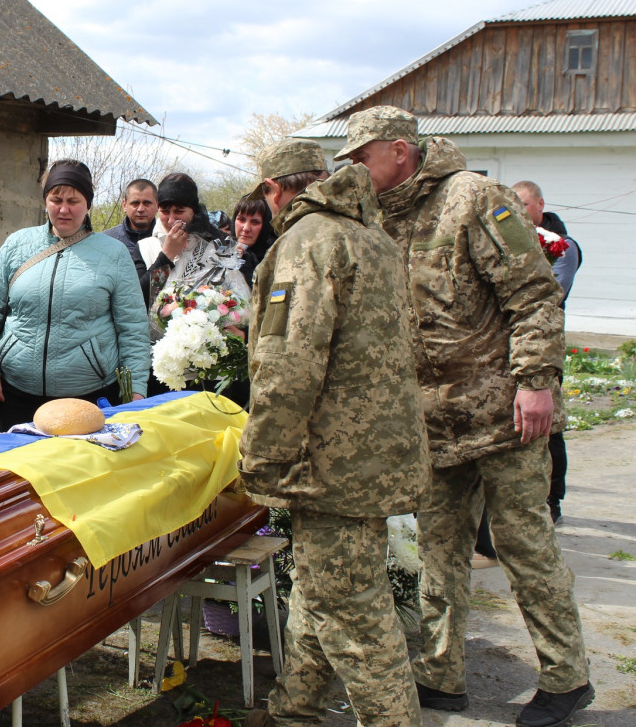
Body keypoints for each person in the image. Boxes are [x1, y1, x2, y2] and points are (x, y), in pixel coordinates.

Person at [339, 105, 592, 726]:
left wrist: (536, 383)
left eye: (362, 156)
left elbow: (533, 293)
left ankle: (566, 677)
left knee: (525, 547)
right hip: (433, 426)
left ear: (399, 150)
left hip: (504, 417)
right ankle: (440, 673)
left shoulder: (474, 198)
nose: (355, 169)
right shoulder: (378, 217)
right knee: (439, 553)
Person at [238, 143, 428, 727]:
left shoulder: (307, 243)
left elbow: (289, 364)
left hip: (332, 464)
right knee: (322, 589)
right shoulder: (372, 238)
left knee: (354, 614)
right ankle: (294, 709)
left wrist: (262, 456)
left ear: (275, 189)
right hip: (375, 452)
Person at [0, 159, 149, 430]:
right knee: (12, 470)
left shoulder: (113, 253)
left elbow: (133, 327)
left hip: (87, 398)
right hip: (13, 395)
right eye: (56, 199)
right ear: (45, 201)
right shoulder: (17, 245)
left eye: (73, 200)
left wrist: (135, 388)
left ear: (88, 203)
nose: (64, 209)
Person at [139, 173, 252, 398]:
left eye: (179, 211)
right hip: (165, 369)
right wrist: (167, 256)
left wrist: (239, 330)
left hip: (214, 369)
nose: (172, 219)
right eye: (164, 211)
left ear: (194, 210)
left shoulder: (219, 247)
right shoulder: (145, 247)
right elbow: (140, 298)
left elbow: (242, 299)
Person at [514, 179, 581, 524]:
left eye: (524, 204)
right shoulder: (513, 242)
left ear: (540, 204)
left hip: (545, 344)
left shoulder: (562, 246)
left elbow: (554, 291)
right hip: (515, 346)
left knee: (551, 425)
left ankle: (553, 500)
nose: (519, 211)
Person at [102, 178, 158, 306]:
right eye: (135, 203)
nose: (141, 209)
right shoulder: (106, 240)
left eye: (147, 203)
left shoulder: (166, 241)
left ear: (157, 205)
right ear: (124, 205)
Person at [231, 193, 276, 280]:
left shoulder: (275, 258)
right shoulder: (221, 252)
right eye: (241, 220)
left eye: (255, 222)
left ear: (265, 226)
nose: (246, 228)